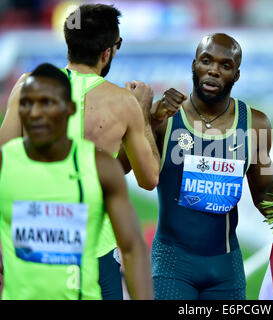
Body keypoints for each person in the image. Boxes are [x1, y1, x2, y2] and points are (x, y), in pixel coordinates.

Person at [0, 4, 159, 299]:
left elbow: (3, 168)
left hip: (32, 242)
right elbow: (148, 178)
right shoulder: (123, 103)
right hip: (94, 247)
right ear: (107, 52)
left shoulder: (28, 89)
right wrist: (144, 113)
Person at [144, 33, 273, 299]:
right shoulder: (165, 117)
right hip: (172, 265)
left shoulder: (256, 124)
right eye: (206, 61)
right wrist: (149, 121)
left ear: (236, 75)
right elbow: (121, 168)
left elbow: (266, 189)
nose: (213, 70)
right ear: (193, 65)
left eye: (225, 65)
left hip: (225, 269)